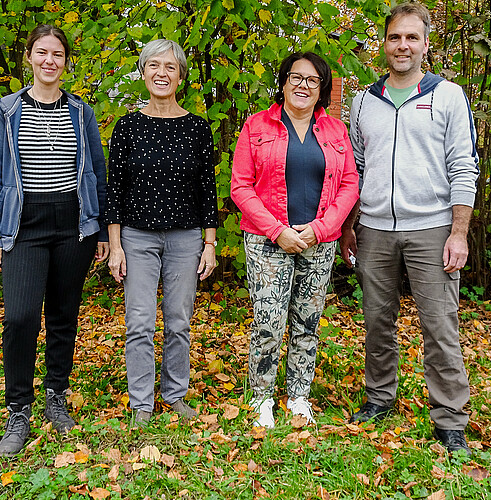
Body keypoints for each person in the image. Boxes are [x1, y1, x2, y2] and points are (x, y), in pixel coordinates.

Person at [340, 2, 478, 455]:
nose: (402, 45)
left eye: (411, 37)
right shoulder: (364, 101)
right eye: (395, 37)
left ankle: (450, 417)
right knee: (377, 321)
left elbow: (463, 167)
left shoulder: (449, 96)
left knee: (439, 325)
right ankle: (380, 398)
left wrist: (458, 232)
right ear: (385, 43)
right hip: (375, 229)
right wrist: (349, 227)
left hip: (433, 228)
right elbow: (356, 168)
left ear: (424, 43)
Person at [231, 52, 359, 428]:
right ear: (284, 82)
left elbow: (350, 184)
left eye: (312, 80)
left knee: (307, 320)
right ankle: (261, 396)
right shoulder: (256, 127)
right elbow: (240, 185)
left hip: (319, 242)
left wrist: (320, 229)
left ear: (322, 89)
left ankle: (299, 396)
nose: (303, 85)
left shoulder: (335, 131)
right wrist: (278, 230)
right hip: (267, 240)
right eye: (295, 77)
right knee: (269, 320)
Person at [0, 25, 109, 456]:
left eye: (58, 54)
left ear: (66, 62)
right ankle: (18, 408)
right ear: (29, 57)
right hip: (25, 225)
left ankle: (56, 396)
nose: (50, 61)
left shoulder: (81, 112)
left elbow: (97, 172)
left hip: (73, 224)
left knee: (64, 314)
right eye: (42, 53)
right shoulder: (7, 111)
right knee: (21, 316)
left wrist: (99, 228)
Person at [105, 39, 218, 428]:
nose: (161, 73)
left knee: (179, 320)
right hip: (136, 238)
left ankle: (174, 394)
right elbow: (114, 190)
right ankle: (141, 404)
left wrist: (210, 244)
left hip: (185, 239)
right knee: (138, 322)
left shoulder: (197, 128)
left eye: (170, 67)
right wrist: (115, 245)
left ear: (181, 76)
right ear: (143, 72)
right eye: (154, 65)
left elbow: (208, 190)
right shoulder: (128, 126)